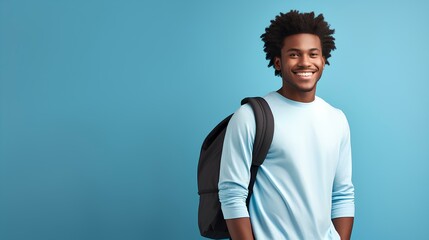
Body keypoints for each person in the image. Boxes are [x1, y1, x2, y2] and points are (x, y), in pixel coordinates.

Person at [218, 10, 355, 240]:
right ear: (278, 62)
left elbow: (342, 194)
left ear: (323, 60)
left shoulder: (337, 118)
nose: (305, 62)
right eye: (294, 54)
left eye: (313, 54)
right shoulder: (250, 116)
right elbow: (232, 194)